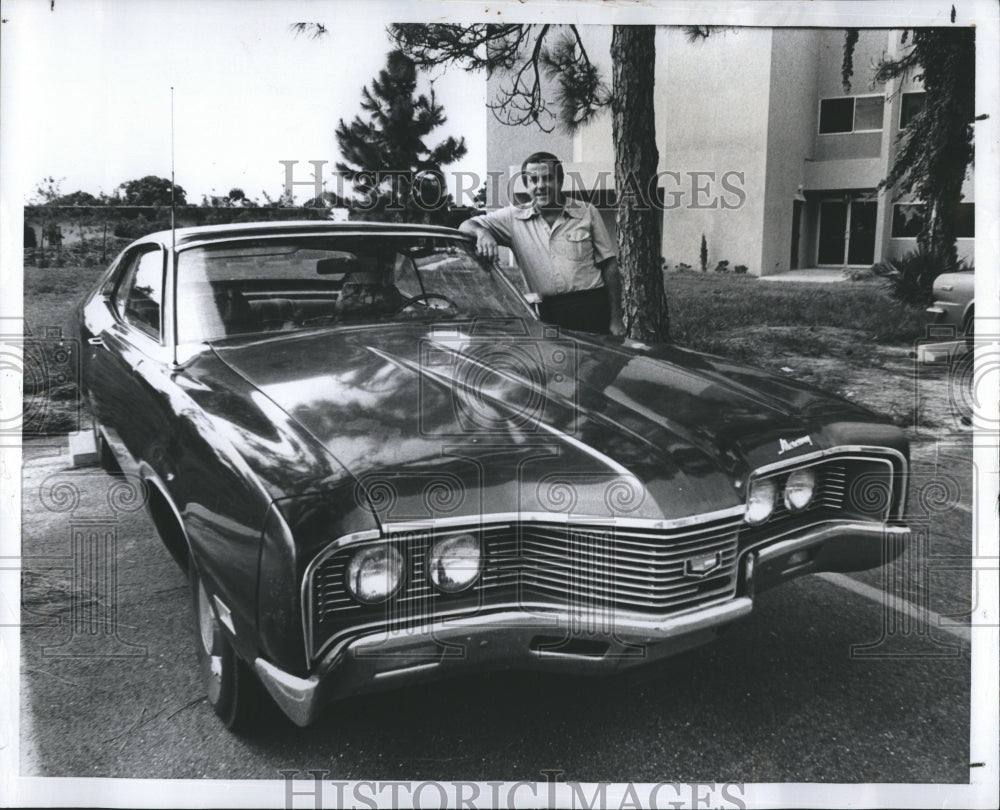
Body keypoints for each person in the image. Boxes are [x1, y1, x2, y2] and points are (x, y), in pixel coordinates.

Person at [460, 152, 625, 336]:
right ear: (527, 186)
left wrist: (616, 319)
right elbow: (465, 225)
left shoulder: (587, 212)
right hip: (548, 314)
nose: (541, 186)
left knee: (600, 356)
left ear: (560, 182)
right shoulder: (512, 218)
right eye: (533, 180)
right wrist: (482, 232)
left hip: (592, 308)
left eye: (547, 178)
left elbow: (609, 264)